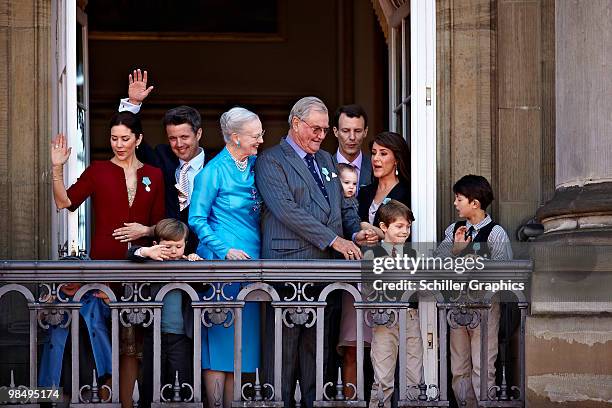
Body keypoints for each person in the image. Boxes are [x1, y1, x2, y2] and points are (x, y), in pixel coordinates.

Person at [255, 96, 377, 408]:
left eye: (324, 130)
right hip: (287, 266)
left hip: (325, 271)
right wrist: (334, 240)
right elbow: (286, 210)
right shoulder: (271, 160)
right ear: (295, 123)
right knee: (282, 351)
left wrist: (356, 231)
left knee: (317, 351)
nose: (321, 135)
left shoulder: (326, 160)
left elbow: (346, 207)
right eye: (315, 129)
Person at [47, 112, 165, 406]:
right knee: (104, 340)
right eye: (114, 139)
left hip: (141, 272)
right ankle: (105, 398)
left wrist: (146, 229)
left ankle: (127, 402)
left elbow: (163, 225)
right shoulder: (98, 170)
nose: (119, 144)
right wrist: (57, 167)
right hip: (103, 270)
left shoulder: (155, 174)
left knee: (134, 345)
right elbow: (65, 202)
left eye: (125, 138)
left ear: (138, 139)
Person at [189, 107, 264, 408]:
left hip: (254, 263)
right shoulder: (211, 172)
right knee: (219, 345)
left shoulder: (259, 165)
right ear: (235, 137)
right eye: (255, 135)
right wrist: (223, 250)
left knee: (243, 347)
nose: (261, 139)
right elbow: (196, 219)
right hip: (222, 267)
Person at [436, 174, 513, 408]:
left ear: (475, 203)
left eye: (459, 199)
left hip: (486, 307)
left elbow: (504, 274)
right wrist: (456, 251)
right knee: (459, 367)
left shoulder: (496, 233)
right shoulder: (454, 229)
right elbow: (438, 264)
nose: (455, 203)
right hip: (457, 306)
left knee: (483, 365)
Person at [119, 69, 208, 254]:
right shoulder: (162, 156)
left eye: (184, 137)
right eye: (173, 138)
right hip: (166, 255)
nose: (179, 144)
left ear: (198, 133)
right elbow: (133, 142)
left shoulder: (215, 165)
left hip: (206, 256)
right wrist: (133, 105)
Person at [127, 218, 202, 407]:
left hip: (182, 336)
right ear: (156, 245)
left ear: (186, 244)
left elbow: (204, 287)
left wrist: (196, 266)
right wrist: (147, 252)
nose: (174, 251)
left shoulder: (187, 264)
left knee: (182, 383)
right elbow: (130, 253)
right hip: (154, 334)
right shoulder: (152, 261)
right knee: (151, 383)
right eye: (167, 246)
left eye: (178, 246)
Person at [364, 200, 422, 408]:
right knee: (383, 378)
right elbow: (368, 289)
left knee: (414, 375)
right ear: (383, 227)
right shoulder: (372, 254)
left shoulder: (413, 254)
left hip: (410, 317)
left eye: (407, 226)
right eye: (399, 226)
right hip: (385, 318)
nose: (405, 231)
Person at [358, 132, 410, 228]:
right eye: (373, 153)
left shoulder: (407, 194)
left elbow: (402, 234)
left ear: (396, 159)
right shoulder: (364, 193)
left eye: (383, 153)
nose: (375, 158)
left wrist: (368, 228)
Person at [331, 104, 373, 193]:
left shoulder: (375, 167)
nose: (352, 137)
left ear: (365, 132)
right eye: (345, 131)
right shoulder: (325, 167)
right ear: (335, 132)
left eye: (358, 131)